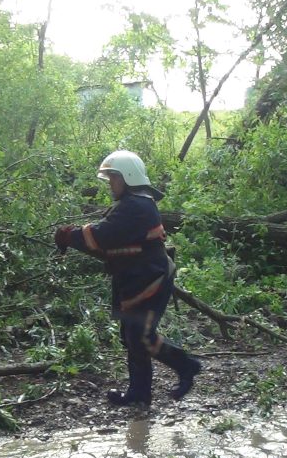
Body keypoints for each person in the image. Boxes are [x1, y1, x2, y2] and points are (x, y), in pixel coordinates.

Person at [54, 150, 202, 407]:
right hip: (137, 277)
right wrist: (74, 237)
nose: (110, 184)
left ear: (128, 177)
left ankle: (186, 366)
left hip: (150, 277)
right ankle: (139, 394)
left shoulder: (137, 205)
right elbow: (106, 242)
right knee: (132, 337)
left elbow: (104, 235)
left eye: (113, 178)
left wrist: (71, 235)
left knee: (141, 336)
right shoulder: (133, 203)